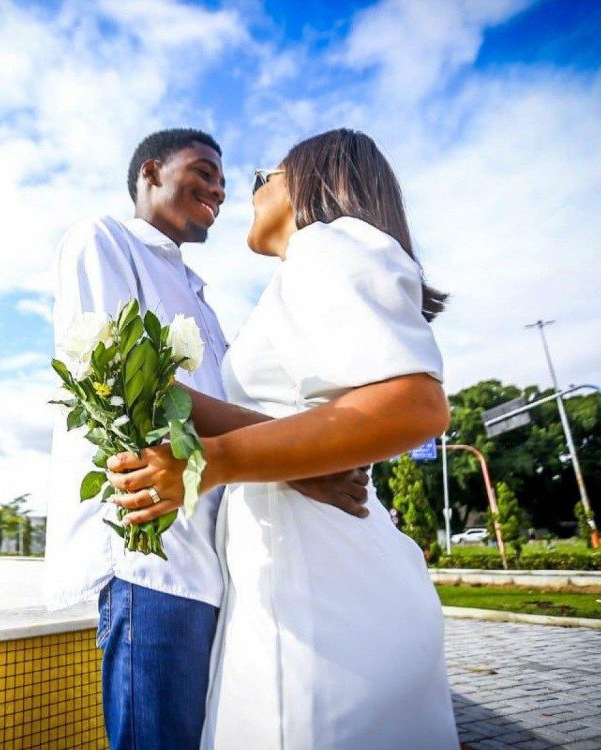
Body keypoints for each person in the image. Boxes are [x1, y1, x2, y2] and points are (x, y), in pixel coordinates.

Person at [107, 129, 460, 749]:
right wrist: (151, 387)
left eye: (260, 178)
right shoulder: (306, 273)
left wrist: (208, 462)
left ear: (313, 182)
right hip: (313, 579)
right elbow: (282, 419)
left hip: (319, 596)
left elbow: (413, 405)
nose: (243, 192)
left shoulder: (326, 245)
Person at [44, 128, 372, 750]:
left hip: (217, 565)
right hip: (153, 560)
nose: (220, 190)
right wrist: (299, 459)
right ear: (150, 172)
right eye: (204, 171)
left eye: (225, 181)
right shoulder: (103, 240)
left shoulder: (200, 298)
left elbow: (216, 410)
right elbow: (131, 389)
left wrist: (299, 453)